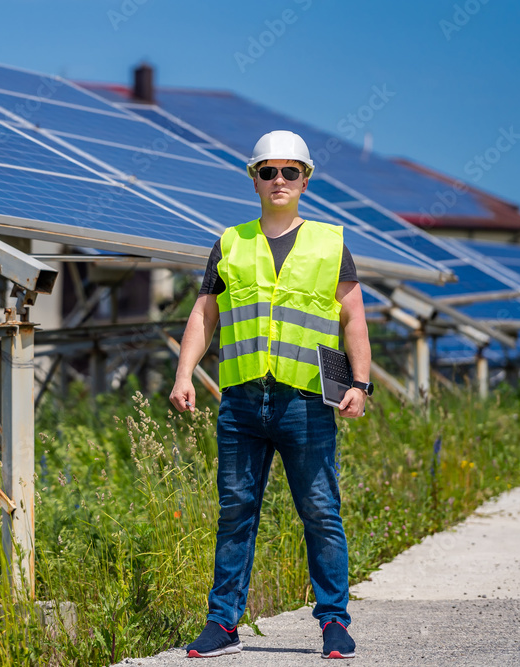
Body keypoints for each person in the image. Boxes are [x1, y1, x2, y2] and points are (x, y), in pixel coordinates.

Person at [169, 130, 373, 660]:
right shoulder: (230, 242)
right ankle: (223, 625)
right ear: (254, 179)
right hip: (241, 402)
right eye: (268, 171)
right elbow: (204, 314)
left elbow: (354, 318)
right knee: (235, 510)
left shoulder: (331, 243)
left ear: (306, 179)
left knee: (320, 510)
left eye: (290, 171)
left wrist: (361, 382)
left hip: (305, 401)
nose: (278, 180)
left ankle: (333, 622)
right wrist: (184, 373)